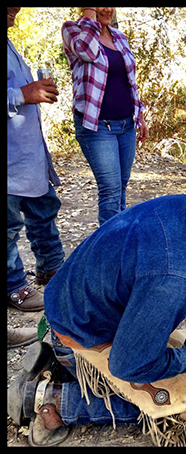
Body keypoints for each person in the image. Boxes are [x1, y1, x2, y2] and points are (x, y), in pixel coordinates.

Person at [8, 167, 186, 447]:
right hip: (80, 335)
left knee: (179, 343)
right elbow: (128, 364)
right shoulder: (174, 278)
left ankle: (57, 366)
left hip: (73, 307)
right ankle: (51, 399)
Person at [7, 7, 65, 347]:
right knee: (9, 226)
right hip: (10, 164)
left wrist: (31, 93)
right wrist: (22, 95)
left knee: (45, 211)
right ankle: (14, 286)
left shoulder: (11, 43)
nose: (16, 10)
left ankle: (52, 269)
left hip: (29, 155)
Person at [62, 7, 149, 226]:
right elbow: (87, 52)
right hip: (97, 126)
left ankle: (118, 243)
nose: (107, 9)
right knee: (110, 190)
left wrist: (140, 117)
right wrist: (90, 17)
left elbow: (130, 80)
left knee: (120, 187)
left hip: (126, 125)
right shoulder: (73, 31)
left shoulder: (118, 36)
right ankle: (111, 253)